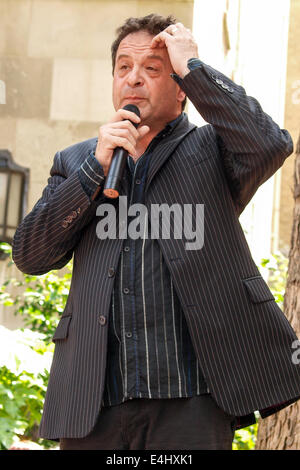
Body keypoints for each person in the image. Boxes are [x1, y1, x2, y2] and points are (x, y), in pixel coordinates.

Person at [12, 13, 300, 450]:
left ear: (180, 89)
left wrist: (194, 67)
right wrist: (95, 170)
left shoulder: (214, 149)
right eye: (124, 68)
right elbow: (30, 256)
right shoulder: (77, 161)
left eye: (152, 69)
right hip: (96, 403)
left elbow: (270, 144)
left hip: (191, 399)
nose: (134, 79)